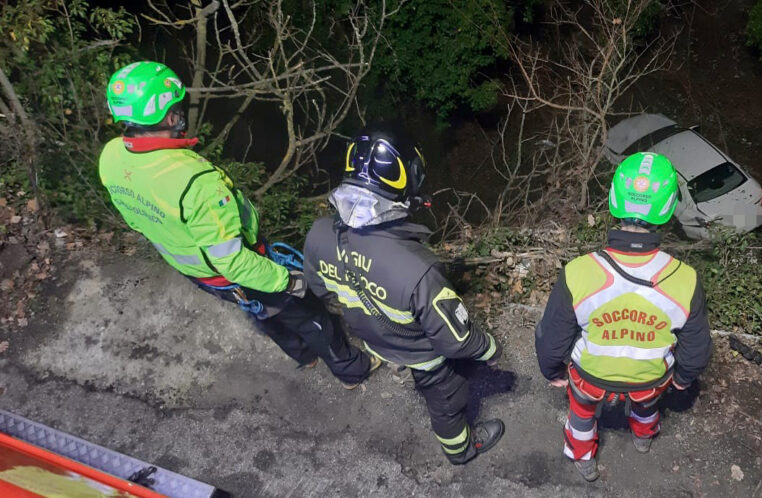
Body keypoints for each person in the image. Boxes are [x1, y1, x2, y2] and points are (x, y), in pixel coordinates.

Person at [97, 61, 378, 388]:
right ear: (171, 117)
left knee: (261, 312)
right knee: (309, 314)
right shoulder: (197, 184)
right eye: (178, 108)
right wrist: (286, 280)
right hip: (241, 267)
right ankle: (351, 371)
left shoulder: (112, 156)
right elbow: (232, 260)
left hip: (196, 270)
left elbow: (135, 219)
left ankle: (304, 355)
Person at [302, 126, 504, 465]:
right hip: (425, 358)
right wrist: (490, 350)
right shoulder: (419, 270)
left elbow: (321, 290)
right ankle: (461, 451)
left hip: (373, 341)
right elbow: (456, 341)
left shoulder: (320, 234)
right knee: (447, 402)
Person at [534, 152, 712, 481]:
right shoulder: (685, 278)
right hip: (649, 381)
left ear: (614, 198)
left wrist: (552, 370)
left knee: (581, 413)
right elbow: (697, 347)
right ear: (669, 209)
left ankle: (582, 457)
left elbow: (552, 336)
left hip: (590, 378)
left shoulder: (579, 271)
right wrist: (683, 378)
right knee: (647, 407)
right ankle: (644, 438)